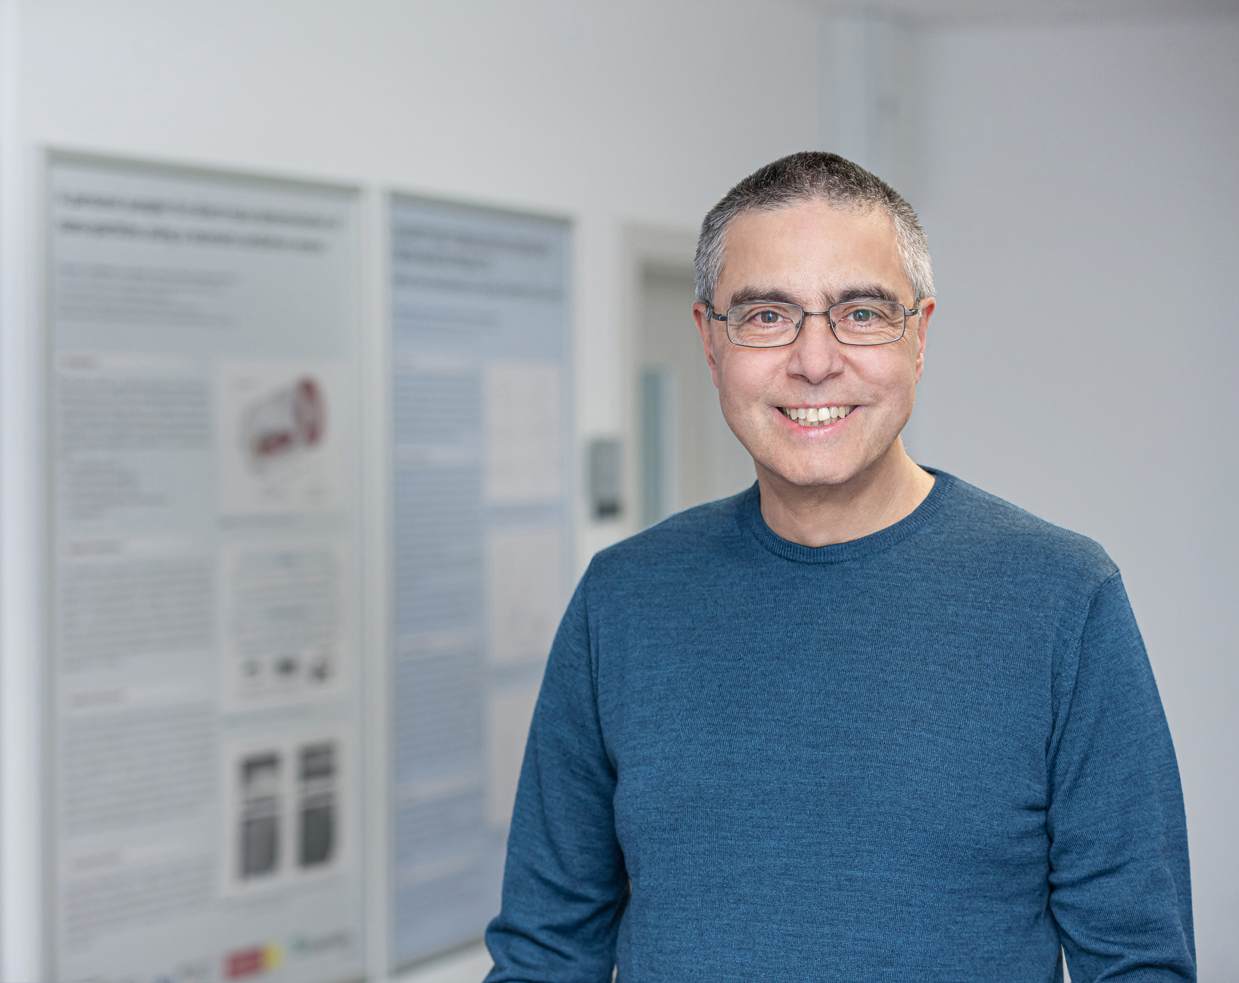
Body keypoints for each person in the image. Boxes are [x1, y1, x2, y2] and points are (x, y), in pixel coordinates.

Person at [484, 152, 1194, 982]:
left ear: (920, 336)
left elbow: (1139, 961)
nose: (814, 361)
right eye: (765, 315)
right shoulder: (624, 599)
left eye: (861, 312)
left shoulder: (1063, 600)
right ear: (711, 342)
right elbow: (545, 952)